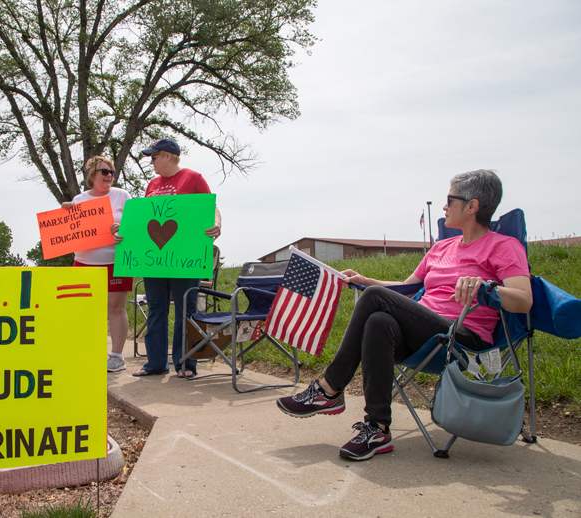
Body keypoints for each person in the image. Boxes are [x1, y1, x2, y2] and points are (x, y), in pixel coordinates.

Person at [276, 169, 532, 461]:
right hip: (425, 335)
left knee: (376, 304)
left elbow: (523, 301)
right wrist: (366, 280)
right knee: (378, 320)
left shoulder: (503, 247)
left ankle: (329, 389)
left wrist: (487, 288)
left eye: (450, 199)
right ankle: (377, 428)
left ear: (472, 206)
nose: (445, 206)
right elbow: (407, 289)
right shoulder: (441, 248)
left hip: (462, 341)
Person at [116, 138, 221, 378]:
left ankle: (185, 364)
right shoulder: (152, 183)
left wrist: (217, 224)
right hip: (154, 259)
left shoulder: (193, 178)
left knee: (187, 309)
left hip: (185, 259)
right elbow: (145, 220)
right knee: (156, 309)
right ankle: (155, 364)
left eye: (153, 157)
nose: (150, 162)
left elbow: (211, 207)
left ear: (167, 156)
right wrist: (124, 235)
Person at [62, 156, 132, 372]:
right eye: (104, 172)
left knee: (116, 307)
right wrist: (65, 214)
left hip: (115, 261)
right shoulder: (78, 200)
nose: (109, 176)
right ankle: (90, 351)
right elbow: (69, 230)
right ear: (92, 174)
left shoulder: (122, 196)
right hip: (84, 262)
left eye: (112, 172)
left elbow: (136, 226)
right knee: (86, 310)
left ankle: (117, 357)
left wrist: (121, 228)